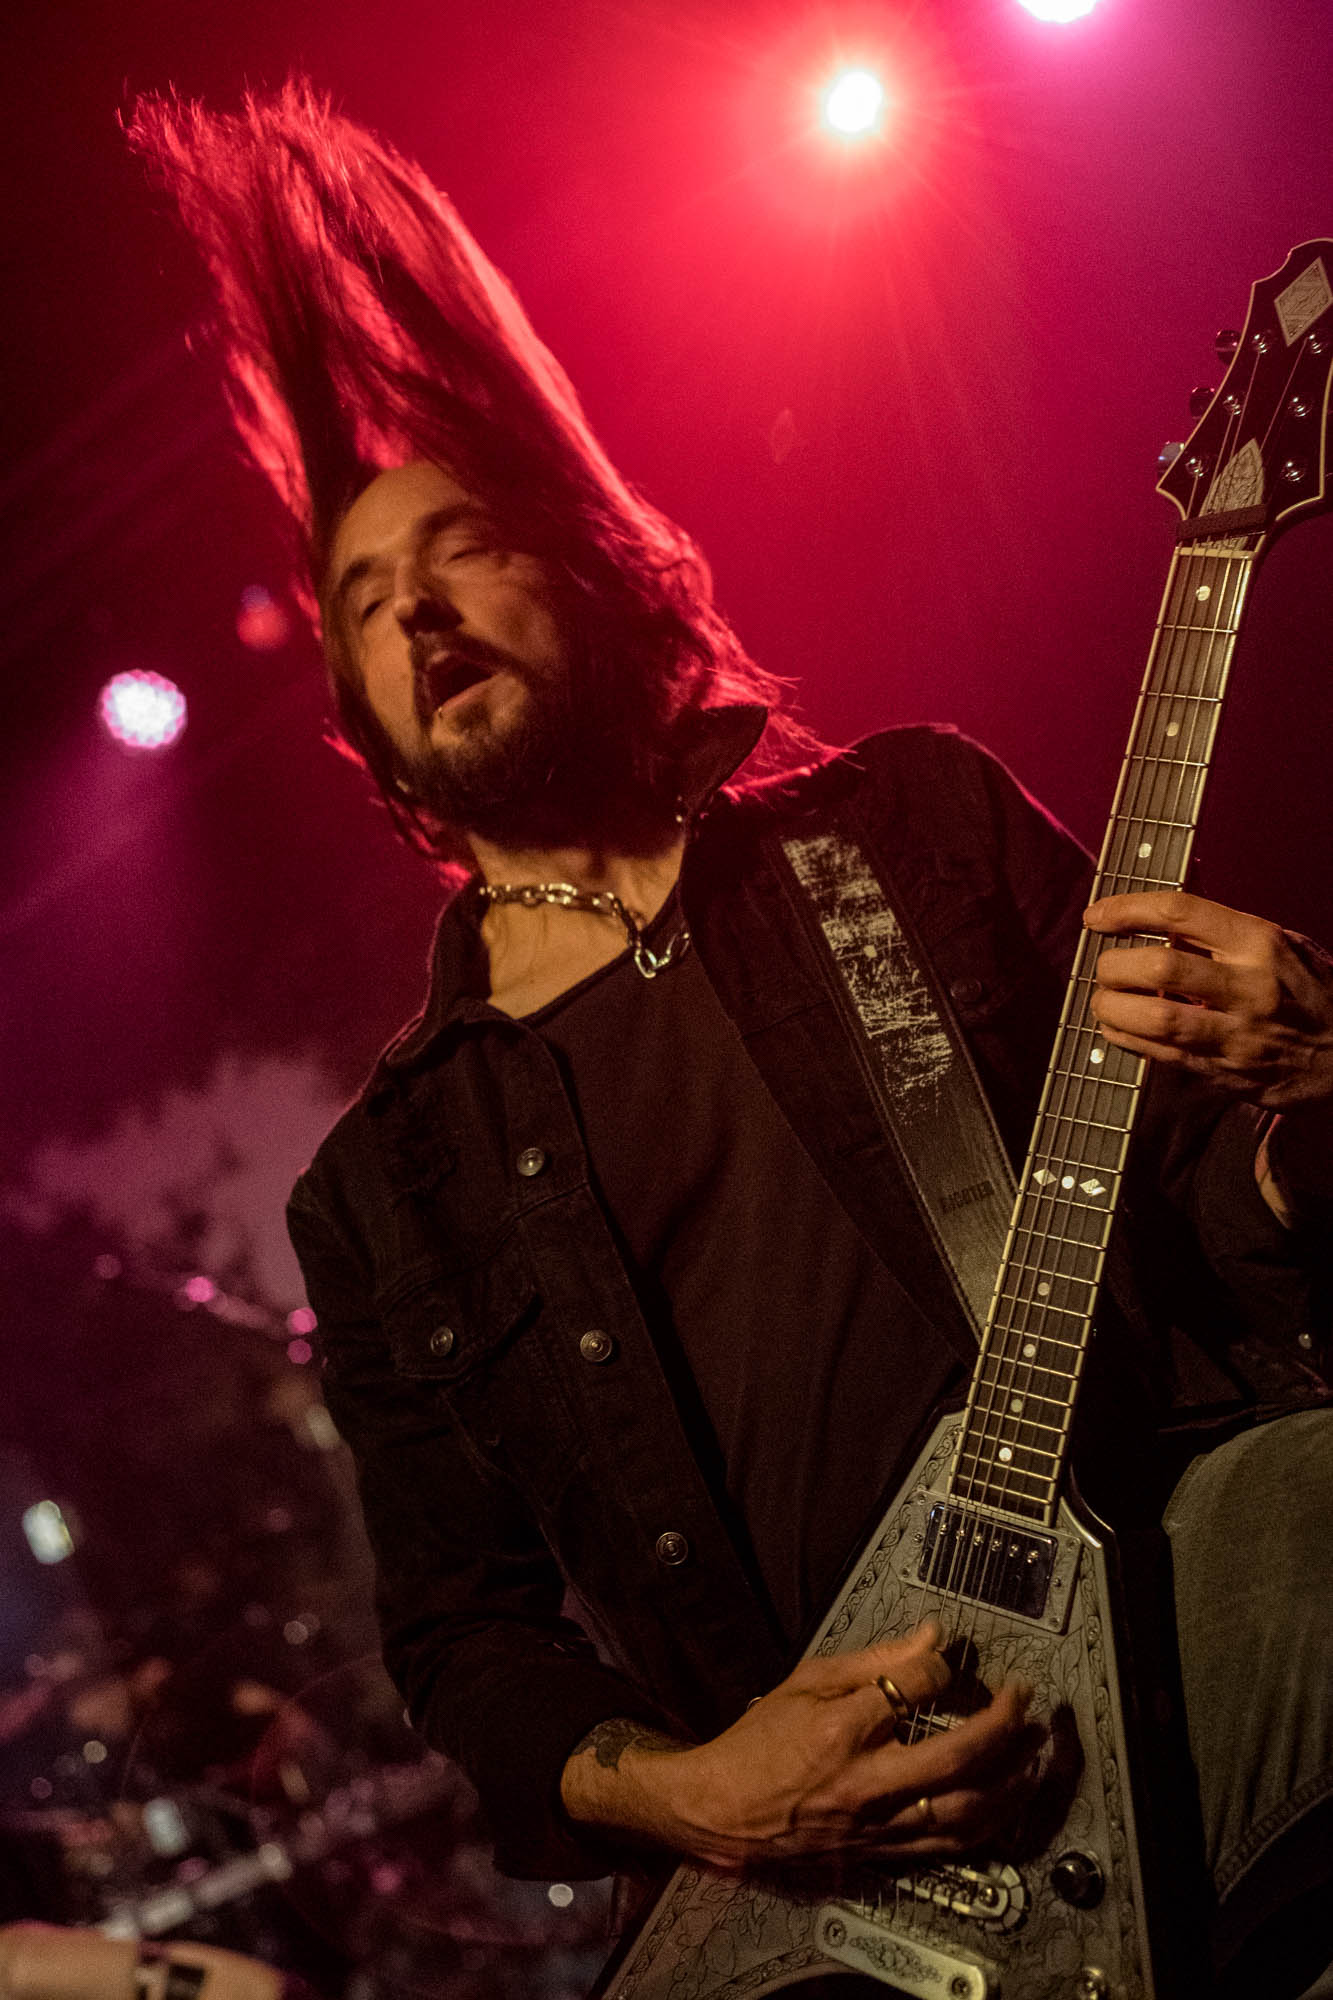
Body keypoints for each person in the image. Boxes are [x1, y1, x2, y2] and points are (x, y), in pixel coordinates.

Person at [129, 83, 1333, 1996]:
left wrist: (1318, 1084)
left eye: (459, 548)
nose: (416, 606)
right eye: (363, 600)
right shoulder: (385, 1189)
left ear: (586, 570)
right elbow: (461, 1635)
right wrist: (698, 1795)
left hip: (1176, 1632)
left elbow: (1206, 1203)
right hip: (819, 1879)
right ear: (357, 709)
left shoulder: (908, 829)